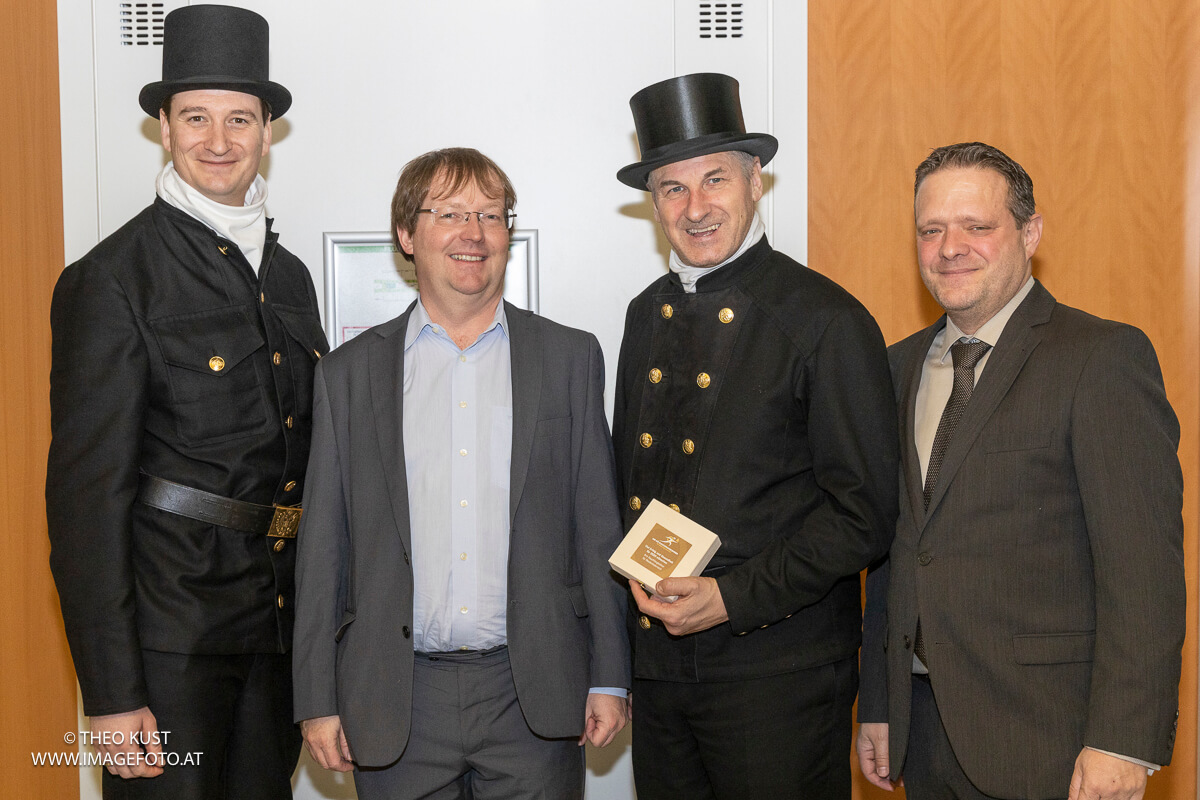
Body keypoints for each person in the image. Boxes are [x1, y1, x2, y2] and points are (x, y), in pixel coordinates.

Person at [46, 5, 326, 798]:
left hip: (276, 632)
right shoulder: (111, 280)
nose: (219, 140)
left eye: (240, 119)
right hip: (170, 644)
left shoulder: (291, 277)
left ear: (267, 131)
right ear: (164, 129)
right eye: (196, 117)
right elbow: (86, 502)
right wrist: (111, 693)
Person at [292, 147, 630, 800]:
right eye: (449, 214)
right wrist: (316, 697)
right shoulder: (347, 375)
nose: (473, 233)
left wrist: (611, 675)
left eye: (490, 215)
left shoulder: (569, 358)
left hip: (533, 694)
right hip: (395, 697)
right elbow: (323, 547)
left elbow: (597, 527)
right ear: (406, 234)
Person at [857, 142, 1185, 800]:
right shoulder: (894, 368)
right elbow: (898, 551)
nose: (950, 248)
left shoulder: (1100, 358)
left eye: (976, 226)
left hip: (1054, 740)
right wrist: (880, 701)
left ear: (1030, 233)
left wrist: (1123, 740)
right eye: (931, 230)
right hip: (922, 731)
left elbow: (1143, 572)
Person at [612, 73, 899, 799]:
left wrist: (732, 597)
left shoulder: (825, 319)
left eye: (715, 179)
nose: (695, 207)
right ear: (654, 204)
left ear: (755, 181)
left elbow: (864, 514)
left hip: (778, 675)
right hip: (661, 672)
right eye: (672, 189)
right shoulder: (644, 314)